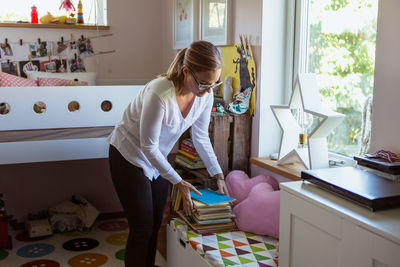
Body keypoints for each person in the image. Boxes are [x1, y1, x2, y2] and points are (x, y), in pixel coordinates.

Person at [107, 40, 228, 267]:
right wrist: (179, 180)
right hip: (128, 155)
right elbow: (147, 146)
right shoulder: (159, 93)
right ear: (186, 72)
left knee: (155, 225)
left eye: (214, 83)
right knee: (142, 226)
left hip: (156, 160)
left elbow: (200, 136)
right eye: (203, 83)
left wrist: (218, 174)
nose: (208, 90)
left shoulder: (205, 95)